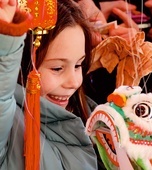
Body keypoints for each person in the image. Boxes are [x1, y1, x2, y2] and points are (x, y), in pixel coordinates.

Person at [0, 0, 98, 169]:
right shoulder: (9, 125)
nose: (74, 82)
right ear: (22, 64)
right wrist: (8, 39)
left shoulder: (90, 114)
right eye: (57, 68)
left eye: (78, 65)